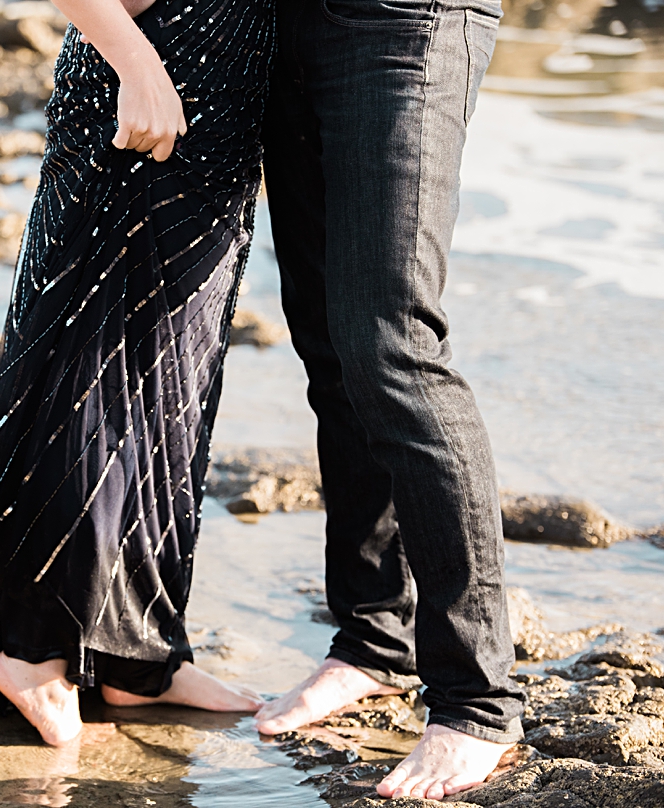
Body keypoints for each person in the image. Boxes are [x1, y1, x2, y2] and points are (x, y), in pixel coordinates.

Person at [0, 0, 273, 746]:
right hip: (145, 84)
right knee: (90, 384)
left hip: (217, 105)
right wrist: (134, 59)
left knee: (171, 393)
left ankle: (136, 656)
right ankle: (29, 649)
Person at [253, 0, 526, 800]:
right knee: (334, 355)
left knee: (394, 349)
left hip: (407, 22)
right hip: (280, 26)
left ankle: (477, 702)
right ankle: (374, 641)